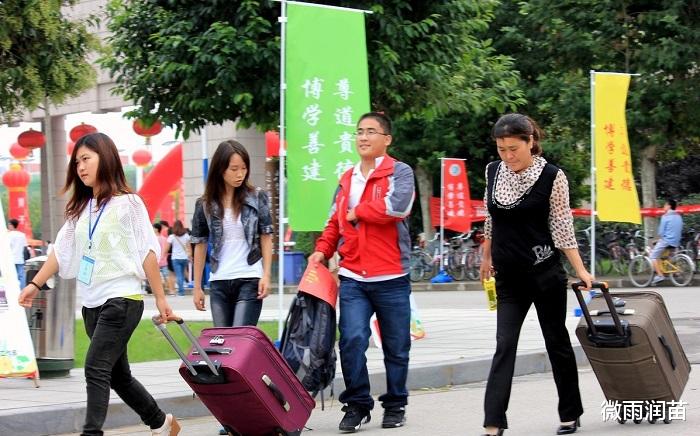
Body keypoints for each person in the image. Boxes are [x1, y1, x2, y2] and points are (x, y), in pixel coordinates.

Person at [17, 132, 180, 436]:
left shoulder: (129, 204)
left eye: (86, 159)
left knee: (95, 368)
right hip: (91, 304)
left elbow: (147, 251)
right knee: (119, 376)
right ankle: (162, 422)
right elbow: (60, 253)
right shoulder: (81, 210)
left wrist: (160, 298)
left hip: (123, 300)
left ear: (105, 158)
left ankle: (91, 433)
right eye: (77, 161)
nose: (80, 167)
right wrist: (34, 285)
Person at [479, 113, 593, 436]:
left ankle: (570, 413)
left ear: (531, 142)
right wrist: (486, 256)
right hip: (508, 278)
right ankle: (493, 422)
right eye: (501, 149)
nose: (507, 156)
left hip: (545, 275)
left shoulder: (553, 177)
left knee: (556, 341)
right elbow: (491, 218)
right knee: (504, 344)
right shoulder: (492, 172)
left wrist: (580, 269)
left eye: (513, 148)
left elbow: (561, 225)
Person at [309, 112, 415, 432]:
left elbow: (398, 206)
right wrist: (322, 250)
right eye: (359, 132)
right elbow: (333, 222)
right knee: (352, 339)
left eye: (371, 132)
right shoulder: (346, 178)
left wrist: (359, 212)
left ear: (387, 139)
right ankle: (357, 404)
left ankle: (395, 404)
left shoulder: (400, 171)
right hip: (354, 275)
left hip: (392, 275)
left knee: (396, 347)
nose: (363, 137)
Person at [191, 140, 273, 327]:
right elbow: (200, 244)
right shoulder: (204, 204)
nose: (240, 174)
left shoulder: (257, 196)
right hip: (219, 281)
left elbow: (266, 236)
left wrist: (266, 275)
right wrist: (197, 287)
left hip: (249, 277)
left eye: (244, 168)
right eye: (234, 169)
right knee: (224, 344)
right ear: (221, 169)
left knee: (240, 340)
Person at [651, 199, 683, 284]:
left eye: (665, 205)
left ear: (669, 206)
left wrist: (657, 239)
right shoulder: (678, 216)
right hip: (676, 241)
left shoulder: (665, 216)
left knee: (653, 256)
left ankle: (660, 275)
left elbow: (661, 232)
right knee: (666, 256)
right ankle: (675, 271)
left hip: (667, 241)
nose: (664, 207)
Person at [165, 220, 191, 296]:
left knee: (178, 275)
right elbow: (189, 247)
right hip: (184, 258)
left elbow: (167, 248)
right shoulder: (186, 235)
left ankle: (181, 292)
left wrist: (163, 254)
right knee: (182, 275)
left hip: (175, 258)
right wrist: (190, 255)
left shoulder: (172, 236)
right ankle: (181, 291)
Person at [7, 218, 28, 288]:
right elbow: (25, 247)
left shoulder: (8, 235)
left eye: (9, 224)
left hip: (11, 259)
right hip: (20, 258)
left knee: (11, 276)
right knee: (21, 276)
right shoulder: (22, 235)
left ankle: (12, 290)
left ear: (11, 225)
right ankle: (22, 291)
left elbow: (7, 246)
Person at [153, 223, 173, 295]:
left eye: (153, 227)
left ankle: (160, 292)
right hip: (164, 260)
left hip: (156, 261)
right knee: (166, 276)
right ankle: (170, 290)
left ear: (156, 229)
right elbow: (165, 250)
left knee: (157, 277)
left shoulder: (153, 239)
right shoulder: (164, 239)